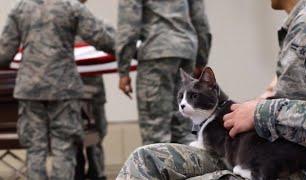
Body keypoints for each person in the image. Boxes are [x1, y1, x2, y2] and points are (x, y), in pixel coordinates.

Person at [116, 0, 306, 179]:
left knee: (153, 140)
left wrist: (261, 112)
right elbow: (200, 21)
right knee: (147, 157)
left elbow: (128, 23)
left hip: (290, 161)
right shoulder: (299, 23)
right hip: (266, 147)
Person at [0, 0, 114, 179]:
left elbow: (4, 53)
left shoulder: (21, 8)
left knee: (35, 148)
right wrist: (131, 50)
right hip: (63, 88)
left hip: (30, 89)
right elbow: (100, 38)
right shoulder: (71, 7)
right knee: (64, 146)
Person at [116, 0, 211, 145]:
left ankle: (159, 167)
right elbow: (201, 21)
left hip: (156, 54)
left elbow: (128, 27)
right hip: (186, 52)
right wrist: (201, 61)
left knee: (155, 129)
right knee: (183, 128)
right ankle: (189, 167)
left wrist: (123, 69)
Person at [74, 1, 109, 179]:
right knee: (73, 136)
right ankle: (78, 170)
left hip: (92, 91)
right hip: (70, 91)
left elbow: (110, 41)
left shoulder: (93, 22)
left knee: (94, 135)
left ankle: (95, 171)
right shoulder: (59, 22)